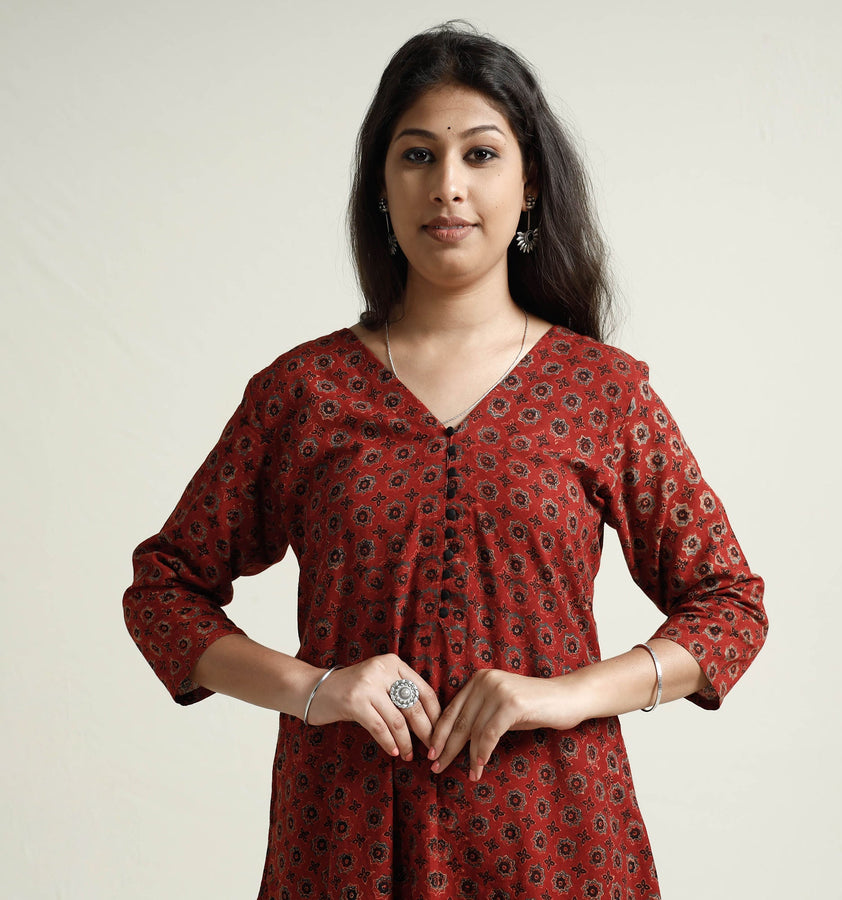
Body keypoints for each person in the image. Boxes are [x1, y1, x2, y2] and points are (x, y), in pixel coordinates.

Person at [123, 22, 767, 899]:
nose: (448, 186)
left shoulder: (601, 391)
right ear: (381, 186)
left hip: (555, 842)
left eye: (481, 154)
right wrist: (315, 688)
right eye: (417, 155)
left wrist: (568, 693)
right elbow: (163, 592)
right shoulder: (305, 392)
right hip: (344, 842)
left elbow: (729, 607)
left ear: (529, 183)